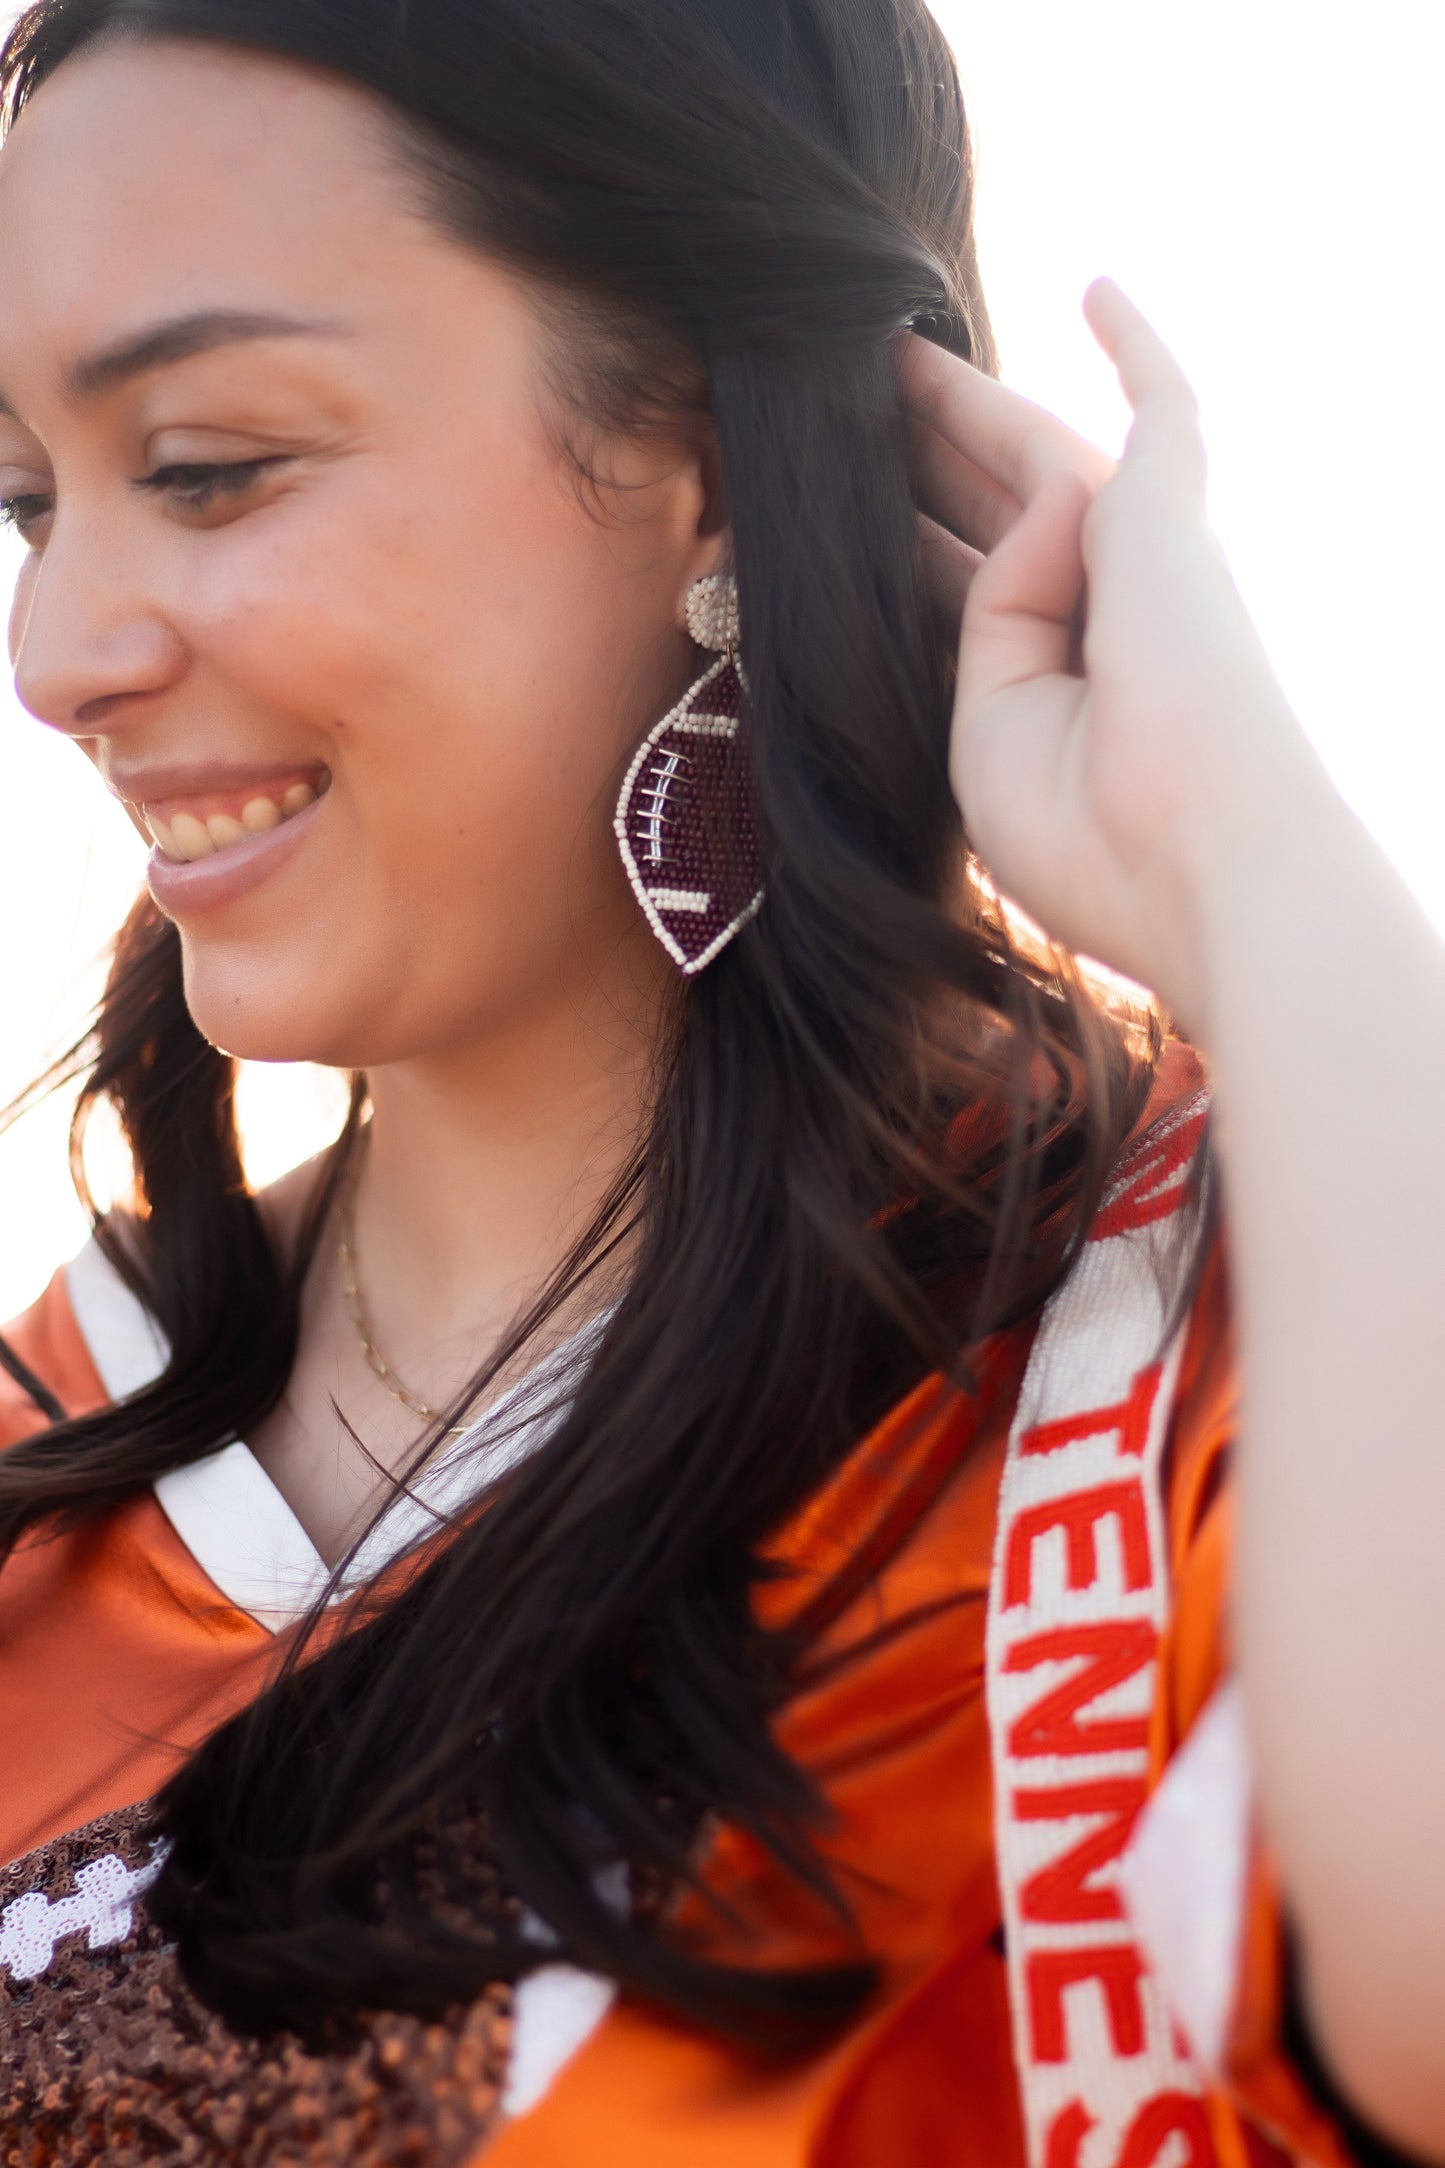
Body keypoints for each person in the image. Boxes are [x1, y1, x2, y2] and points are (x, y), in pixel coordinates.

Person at [0, 0, 1440, 2161]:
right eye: (25, 499)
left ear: (704, 457)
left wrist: (1254, 871)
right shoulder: (58, 1446)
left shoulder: (1223, 1344)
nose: (58, 651)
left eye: (210, 468)